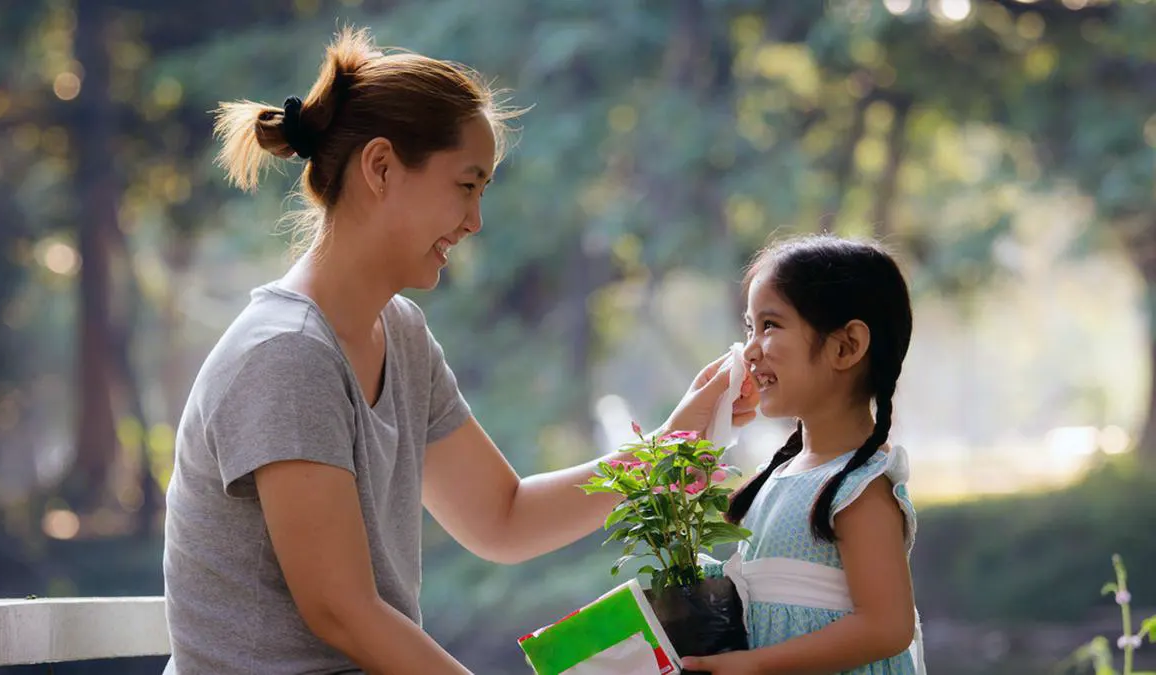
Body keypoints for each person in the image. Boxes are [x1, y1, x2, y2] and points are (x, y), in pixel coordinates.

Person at [160, 25, 757, 675]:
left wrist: (667, 446)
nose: (475, 221)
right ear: (381, 167)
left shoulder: (403, 334)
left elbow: (503, 517)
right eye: (466, 185)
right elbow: (341, 609)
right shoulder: (287, 354)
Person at [681, 234, 926, 675]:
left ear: (845, 346)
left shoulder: (858, 488)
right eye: (749, 328)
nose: (750, 350)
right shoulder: (773, 477)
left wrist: (757, 665)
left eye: (770, 325)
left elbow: (888, 627)